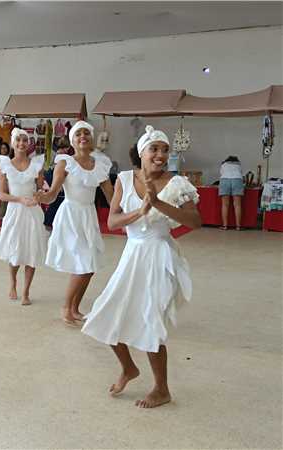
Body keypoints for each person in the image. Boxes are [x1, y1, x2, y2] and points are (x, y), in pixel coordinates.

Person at [82, 125, 202, 408]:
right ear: (141, 152)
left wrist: (159, 202)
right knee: (104, 313)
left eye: (165, 150)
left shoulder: (177, 184)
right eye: (154, 149)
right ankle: (129, 368)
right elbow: (112, 222)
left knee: (151, 321)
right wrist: (140, 210)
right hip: (132, 255)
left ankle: (162, 389)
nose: (160, 155)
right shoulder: (124, 179)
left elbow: (195, 221)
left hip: (160, 257)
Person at [38, 121, 113, 325]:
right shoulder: (65, 162)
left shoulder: (101, 163)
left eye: (86, 133)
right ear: (72, 139)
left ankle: (75, 308)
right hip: (71, 216)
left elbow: (111, 195)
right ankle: (65, 307)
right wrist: (41, 198)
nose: (83, 136)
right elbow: (53, 193)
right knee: (83, 264)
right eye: (78, 134)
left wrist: (127, 209)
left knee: (90, 266)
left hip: (88, 216)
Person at [0, 128, 47, 306]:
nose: (22, 144)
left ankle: (26, 291)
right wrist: (19, 199)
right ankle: (13, 282)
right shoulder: (5, 165)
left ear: (28, 143)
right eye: (18, 140)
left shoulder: (37, 164)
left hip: (32, 212)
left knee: (31, 251)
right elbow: (1, 194)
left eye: (25, 140)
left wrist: (38, 196)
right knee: (15, 251)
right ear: (13, 143)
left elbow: (41, 189)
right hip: (15, 211)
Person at [219, 156, 245, 230]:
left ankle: (225, 226)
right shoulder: (239, 165)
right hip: (237, 180)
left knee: (225, 205)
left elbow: (221, 173)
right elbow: (241, 174)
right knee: (237, 205)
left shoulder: (223, 164)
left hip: (225, 180)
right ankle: (238, 226)